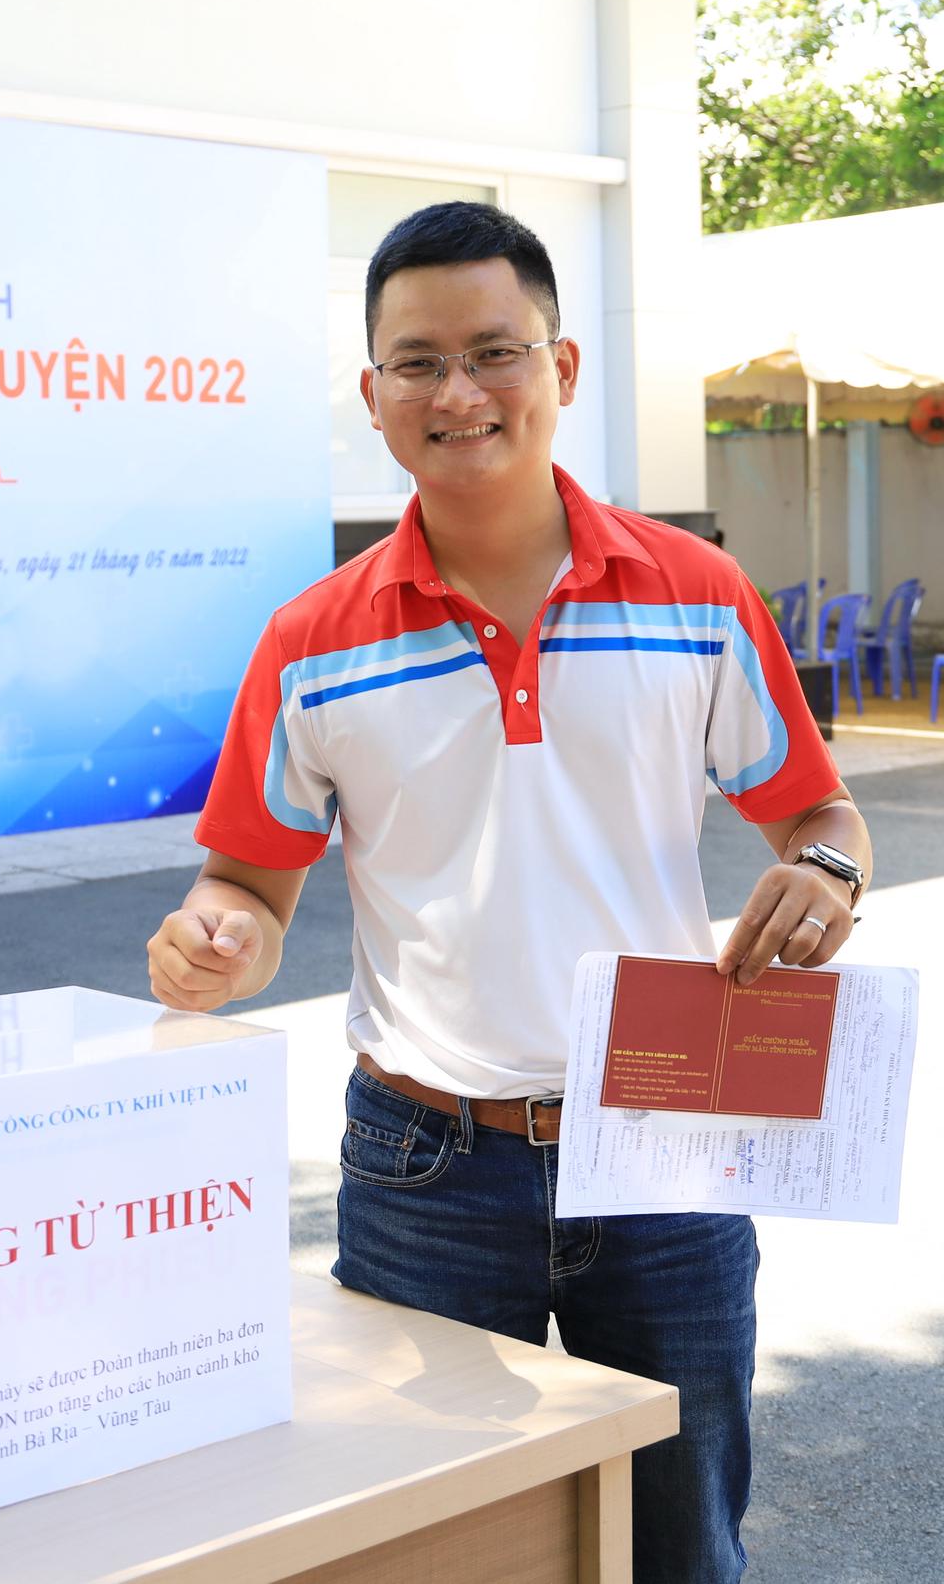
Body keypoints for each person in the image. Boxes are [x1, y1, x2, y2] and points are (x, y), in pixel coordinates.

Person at [146, 202, 872, 1583]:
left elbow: (817, 814)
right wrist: (218, 938)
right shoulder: (311, 642)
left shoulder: (697, 595)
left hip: (663, 1131)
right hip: (422, 1164)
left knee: (682, 1548)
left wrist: (827, 872)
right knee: (432, 1553)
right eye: (417, 362)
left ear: (564, 366)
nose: (458, 392)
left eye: (495, 351)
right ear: (373, 395)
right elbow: (248, 880)